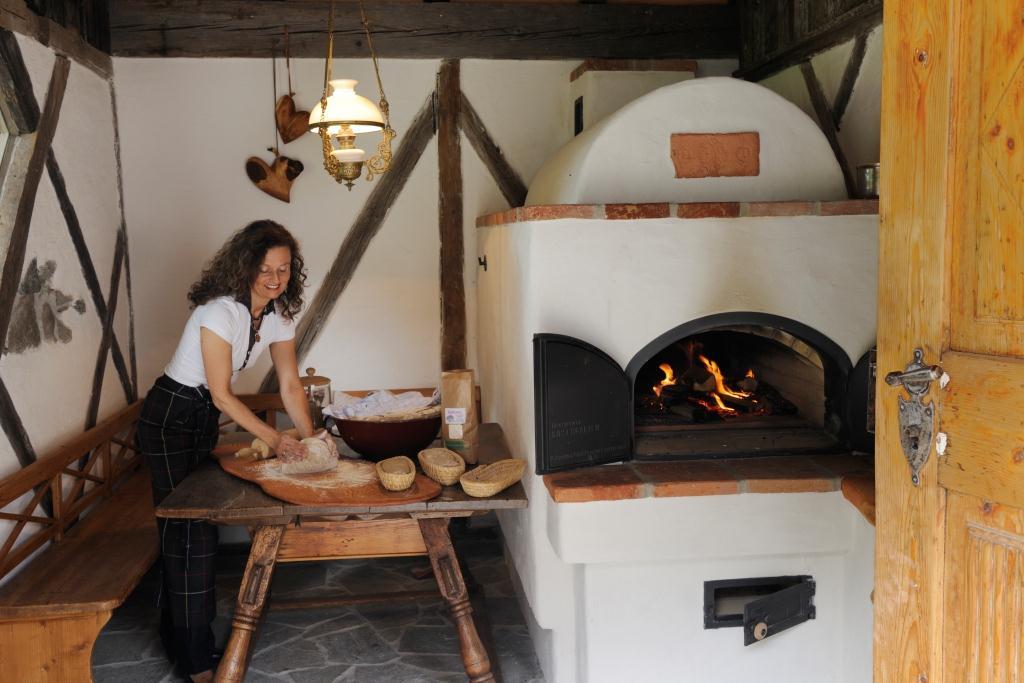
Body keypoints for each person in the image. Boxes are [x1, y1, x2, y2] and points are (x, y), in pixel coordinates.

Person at [136, 220, 330, 682]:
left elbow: (289, 384)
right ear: (245, 266)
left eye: (284, 269)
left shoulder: (278, 314)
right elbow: (222, 394)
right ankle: (197, 660)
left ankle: (182, 642)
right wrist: (277, 439)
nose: (275, 279)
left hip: (200, 415)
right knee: (191, 532)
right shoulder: (219, 312)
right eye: (265, 269)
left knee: (192, 530)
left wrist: (311, 439)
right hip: (170, 417)